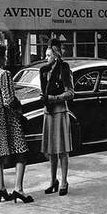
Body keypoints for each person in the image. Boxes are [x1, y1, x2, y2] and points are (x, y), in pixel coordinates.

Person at [0, 42, 33, 204]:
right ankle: (19, 189)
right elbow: (8, 100)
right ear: (1, 58)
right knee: (21, 151)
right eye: (4, 55)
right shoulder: (4, 74)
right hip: (7, 119)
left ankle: (1, 188)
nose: (6, 58)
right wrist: (19, 109)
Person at [40, 38, 74, 196]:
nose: (46, 58)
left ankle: (64, 181)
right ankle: (53, 181)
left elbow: (70, 93)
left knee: (62, 150)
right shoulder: (45, 71)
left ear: (56, 55)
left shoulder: (64, 69)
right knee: (51, 150)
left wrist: (53, 98)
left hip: (60, 111)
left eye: (48, 55)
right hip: (49, 112)